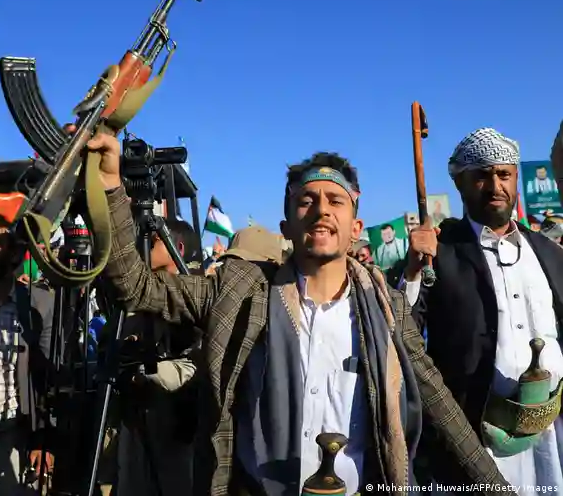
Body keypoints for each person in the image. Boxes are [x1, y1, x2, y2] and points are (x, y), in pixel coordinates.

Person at [87, 132, 508, 495]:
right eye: (307, 201)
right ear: (286, 227)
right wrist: (108, 184)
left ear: (355, 228)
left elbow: (442, 407)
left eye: (335, 201)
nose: (322, 210)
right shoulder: (242, 290)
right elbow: (134, 286)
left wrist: (496, 487)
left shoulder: (388, 308)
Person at [405, 127, 563, 489]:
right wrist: (413, 271)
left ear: (516, 178)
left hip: (549, 437)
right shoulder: (439, 253)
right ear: (459, 184)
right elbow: (404, 332)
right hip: (475, 441)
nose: (495, 187)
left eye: (504, 174)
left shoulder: (547, 251)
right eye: (481, 176)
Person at [117, 217, 201, 496]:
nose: (143, 247)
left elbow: (198, 363)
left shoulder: (197, 293)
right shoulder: (139, 296)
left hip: (178, 421)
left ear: (177, 247)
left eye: (151, 241)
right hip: (138, 416)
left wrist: (150, 368)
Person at [0, 206, 55, 494]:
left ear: (14, 252)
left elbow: (48, 380)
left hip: (9, 437)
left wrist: (43, 439)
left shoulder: (38, 305)